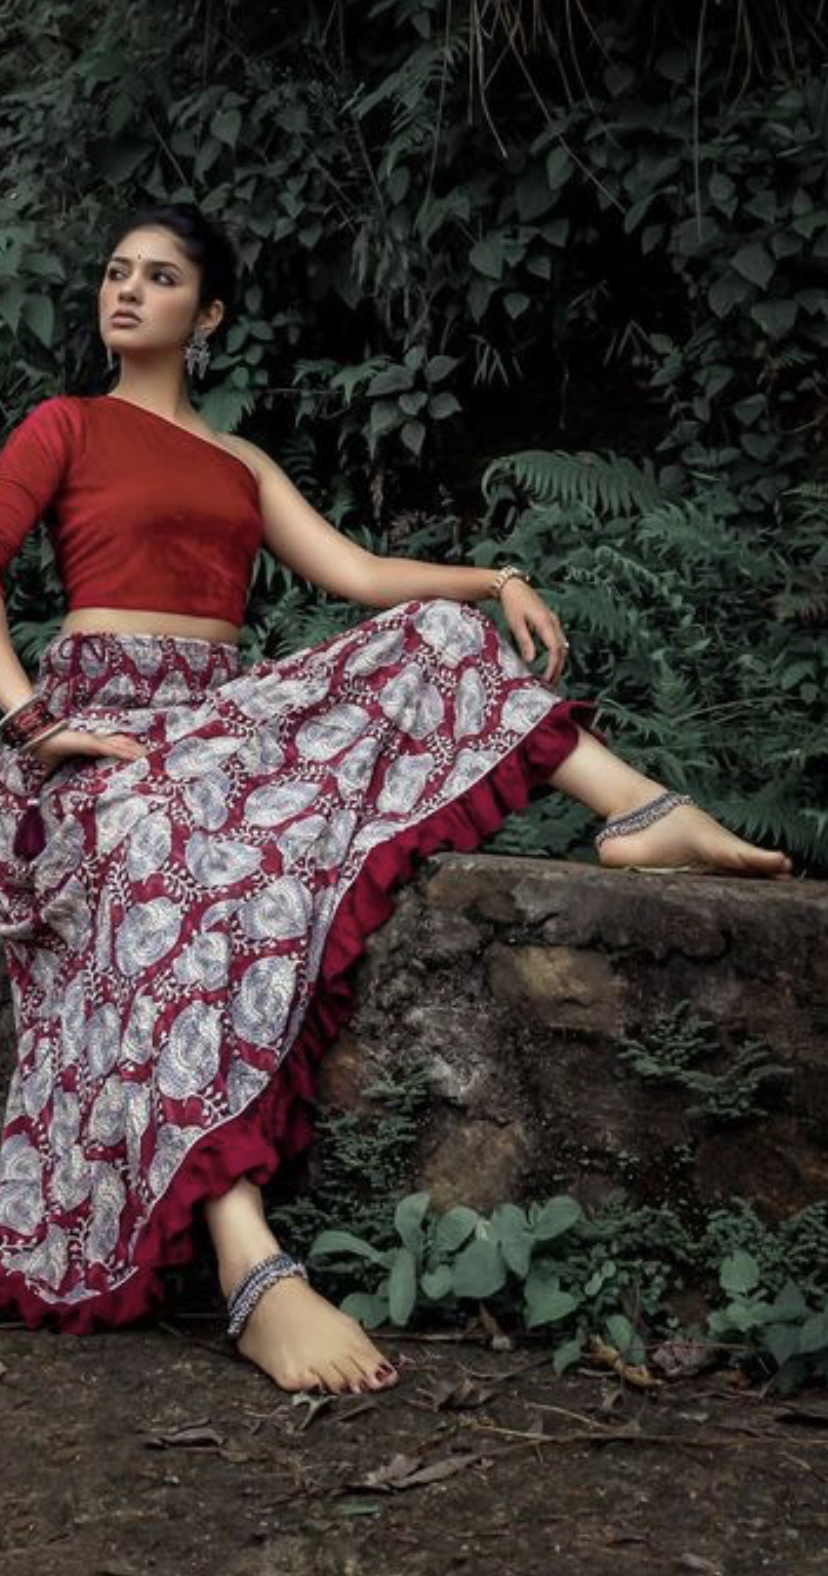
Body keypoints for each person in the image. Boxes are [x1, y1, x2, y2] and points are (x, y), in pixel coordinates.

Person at [0, 202, 791, 1397]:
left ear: (208, 315)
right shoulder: (65, 423)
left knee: (432, 633)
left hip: (215, 726)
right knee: (169, 851)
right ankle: (249, 1258)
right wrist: (32, 723)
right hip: (92, 744)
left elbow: (360, 575)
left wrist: (496, 575)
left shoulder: (239, 462)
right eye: (117, 271)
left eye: (159, 277)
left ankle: (637, 811)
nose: (127, 290)